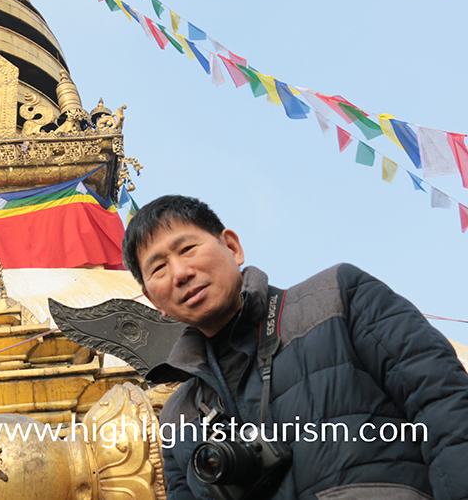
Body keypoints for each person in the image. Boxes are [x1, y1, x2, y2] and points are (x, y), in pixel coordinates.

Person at [123, 194, 468, 500]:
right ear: (155, 301)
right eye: (159, 268)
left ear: (232, 247)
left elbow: (444, 404)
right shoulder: (179, 414)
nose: (180, 273)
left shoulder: (338, 298)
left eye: (187, 249)